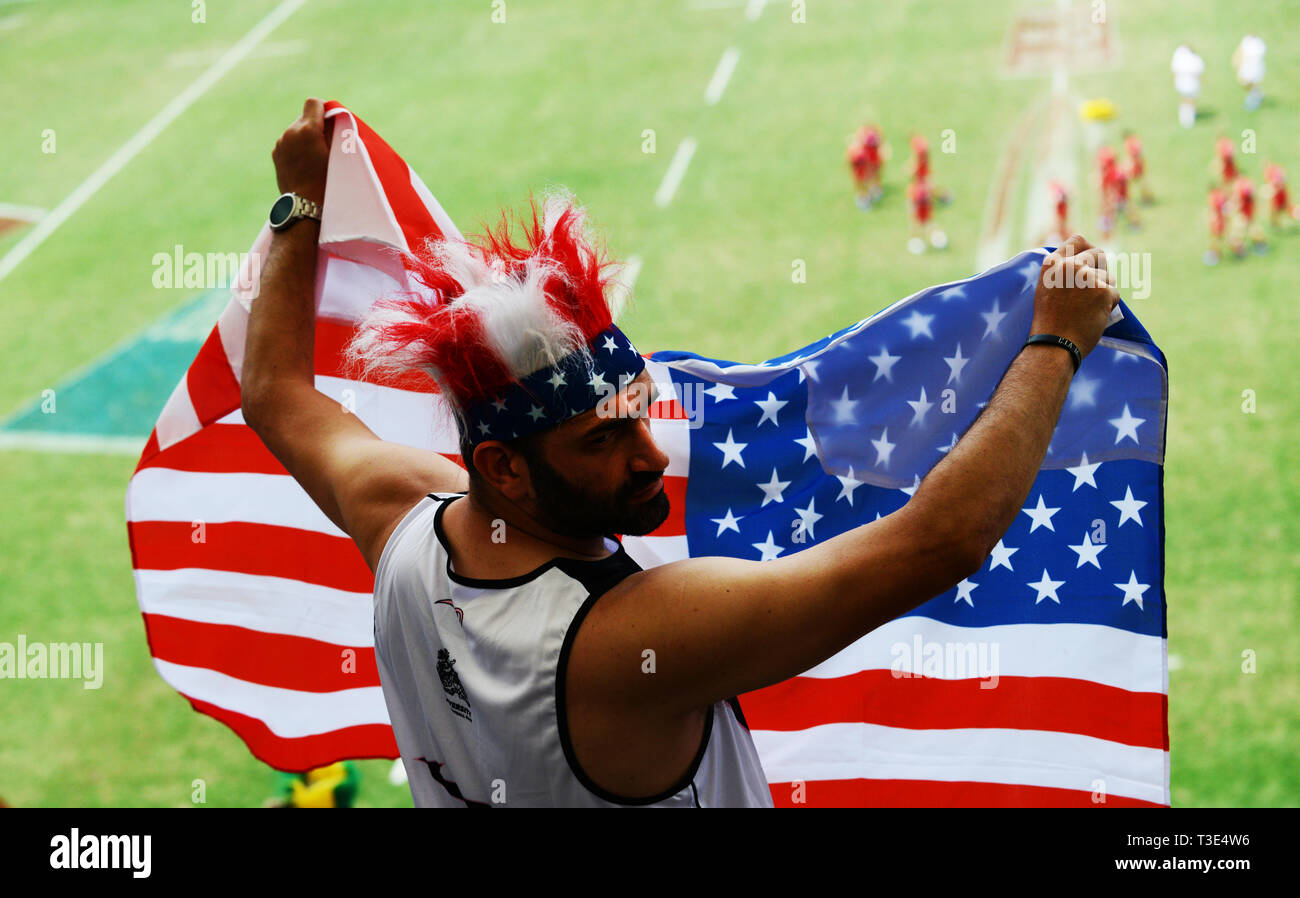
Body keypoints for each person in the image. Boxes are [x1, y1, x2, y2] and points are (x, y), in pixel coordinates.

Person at [244, 98, 1120, 808]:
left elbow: (275, 393)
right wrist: (1056, 344)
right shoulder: (625, 639)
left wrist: (300, 203)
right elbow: (939, 541)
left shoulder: (400, 521)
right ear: (504, 468)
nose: (651, 454)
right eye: (603, 439)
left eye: (637, 414)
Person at [846, 124, 885, 209]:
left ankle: (872, 191)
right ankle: (865, 196)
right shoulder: (858, 153)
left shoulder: (862, 151)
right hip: (863, 169)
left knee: (872, 177)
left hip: (871, 164)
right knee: (864, 182)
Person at [1170, 43, 1204, 128]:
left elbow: (1174, 70)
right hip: (1191, 83)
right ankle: (1188, 119)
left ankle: (1185, 117)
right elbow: (1199, 71)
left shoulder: (1179, 58)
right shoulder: (1195, 59)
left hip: (1181, 83)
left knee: (1185, 99)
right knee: (1190, 100)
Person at [1232, 33, 1266, 111]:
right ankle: (1257, 93)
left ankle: (1255, 97)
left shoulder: (1259, 45)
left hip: (1254, 67)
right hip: (1247, 66)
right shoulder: (1247, 41)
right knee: (1244, 82)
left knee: (1249, 82)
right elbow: (1241, 51)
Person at [1205, 182, 1229, 265]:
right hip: (1220, 221)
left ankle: (1215, 256)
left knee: (1216, 240)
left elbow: (1216, 209)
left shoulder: (1213, 197)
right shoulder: (1221, 195)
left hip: (1217, 221)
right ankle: (1216, 255)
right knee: (1217, 239)